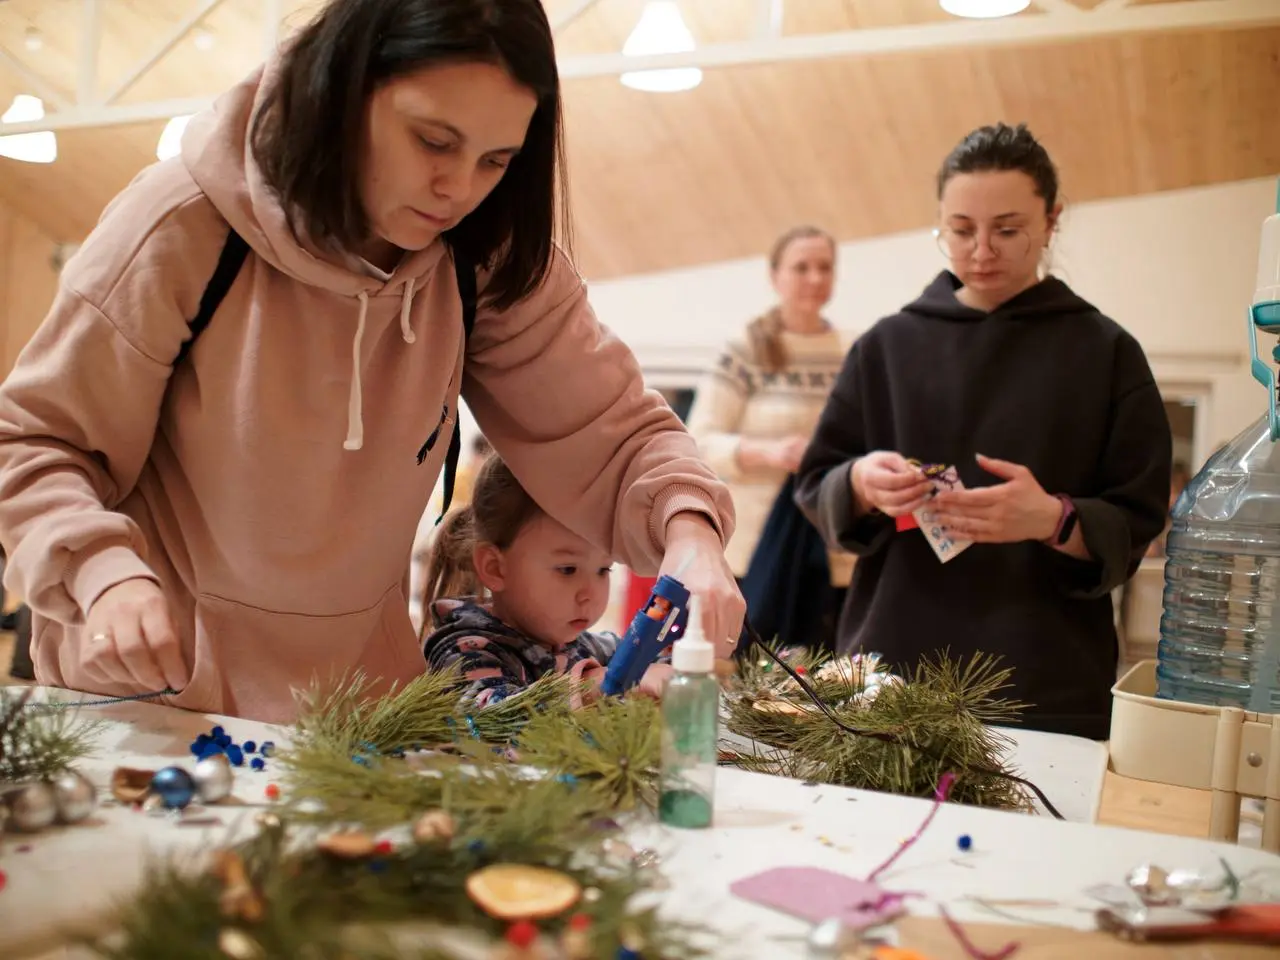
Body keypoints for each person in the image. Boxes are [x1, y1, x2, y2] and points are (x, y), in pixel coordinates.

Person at [0, 0, 741, 724]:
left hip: (361, 712)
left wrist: (690, 532)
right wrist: (101, 572)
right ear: (346, 89)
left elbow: (613, 432)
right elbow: (33, 444)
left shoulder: (484, 256)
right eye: (433, 141)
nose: (459, 189)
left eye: (496, 160)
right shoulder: (182, 225)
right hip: (158, 701)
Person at [796, 123, 1172, 740]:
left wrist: (1053, 519)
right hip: (889, 674)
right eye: (961, 230)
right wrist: (861, 483)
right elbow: (817, 482)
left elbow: (1139, 514)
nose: (981, 252)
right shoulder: (886, 347)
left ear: (1051, 221)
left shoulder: (1106, 353)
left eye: (1007, 229)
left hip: (1044, 681)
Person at [685, 226, 853, 650]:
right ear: (775, 275)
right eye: (802, 267)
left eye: (825, 267)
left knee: (830, 674)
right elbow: (698, 440)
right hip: (755, 550)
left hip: (834, 549)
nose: (815, 278)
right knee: (753, 671)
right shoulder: (745, 350)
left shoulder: (852, 350)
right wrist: (772, 452)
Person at [422, 454, 670, 706]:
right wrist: (597, 684)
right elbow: (491, 715)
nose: (591, 593)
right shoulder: (465, 651)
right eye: (568, 569)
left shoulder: (587, 646)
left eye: (603, 570)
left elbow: (655, 663)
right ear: (495, 568)